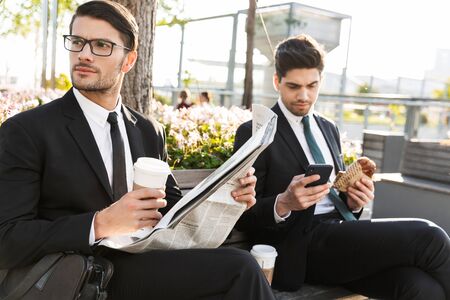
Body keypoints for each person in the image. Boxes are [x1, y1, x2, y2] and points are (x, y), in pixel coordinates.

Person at [0, 1, 276, 299]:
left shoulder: (147, 130)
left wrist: (228, 199)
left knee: (239, 268)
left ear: (129, 61)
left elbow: (172, 208)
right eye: (77, 42)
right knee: (241, 269)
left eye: (101, 45)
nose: (84, 54)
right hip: (80, 274)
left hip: (143, 264)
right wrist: (100, 223)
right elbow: (7, 239)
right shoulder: (27, 131)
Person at [234, 34, 450, 299]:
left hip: (342, 239)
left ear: (321, 81)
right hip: (301, 248)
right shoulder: (255, 131)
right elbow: (244, 215)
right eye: (294, 86)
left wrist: (354, 204)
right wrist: (283, 203)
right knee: (430, 236)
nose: (304, 95)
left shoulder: (328, 128)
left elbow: (340, 197)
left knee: (419, 287)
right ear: (277, 81)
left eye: (312, 85)